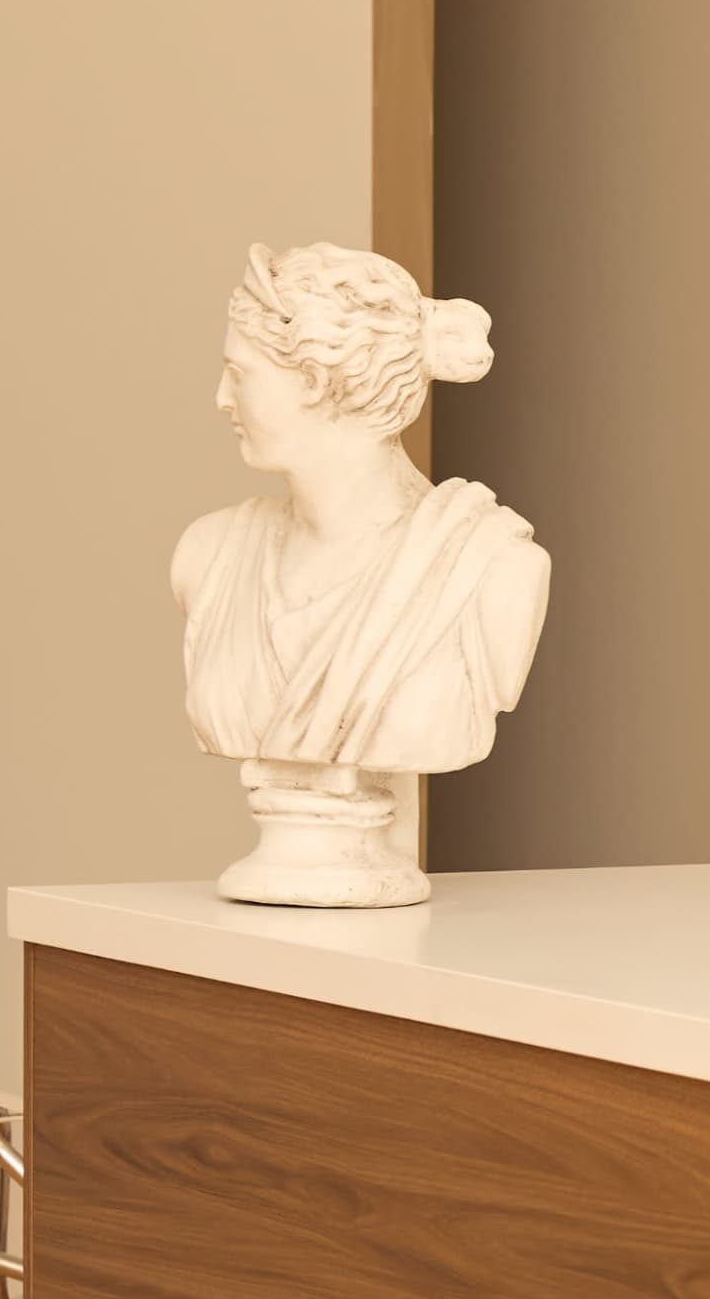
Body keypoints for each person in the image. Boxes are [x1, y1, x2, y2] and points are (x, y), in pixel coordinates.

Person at [176, 242, 550, 904]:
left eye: (240, 374)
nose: (219, 398)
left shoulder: (494, 571)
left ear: (316, 381)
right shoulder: (209, 555)